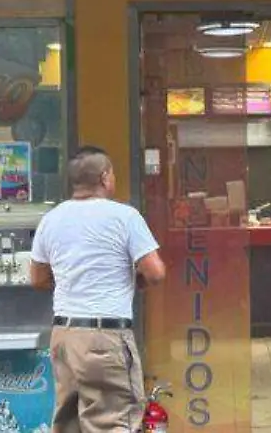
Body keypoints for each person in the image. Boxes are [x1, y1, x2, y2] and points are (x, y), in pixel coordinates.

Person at [30, 146, 167, 433]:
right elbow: (155, 272)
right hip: (106, 339)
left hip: (64, 338)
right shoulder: (124, 216)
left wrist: (74, 280)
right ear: (105, 177)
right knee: (114, 421)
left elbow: (38, 279)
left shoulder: (51, 219)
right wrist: (134, 279)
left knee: (68, 425)